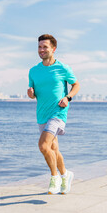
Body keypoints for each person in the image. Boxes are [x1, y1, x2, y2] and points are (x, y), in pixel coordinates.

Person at [27, 34, 80, 194]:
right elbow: (33, 94)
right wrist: (30, 93)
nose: (41, 50)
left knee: (43, 146)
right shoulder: (33, 71)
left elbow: (76, 84)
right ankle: (66, 175)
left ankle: (54, 177)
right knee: (53, 148)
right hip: (42, 113)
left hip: (58, 111)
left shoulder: (62, 68)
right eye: (39, 47)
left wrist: (68, 97)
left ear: (53, 49)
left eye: (45, 47)